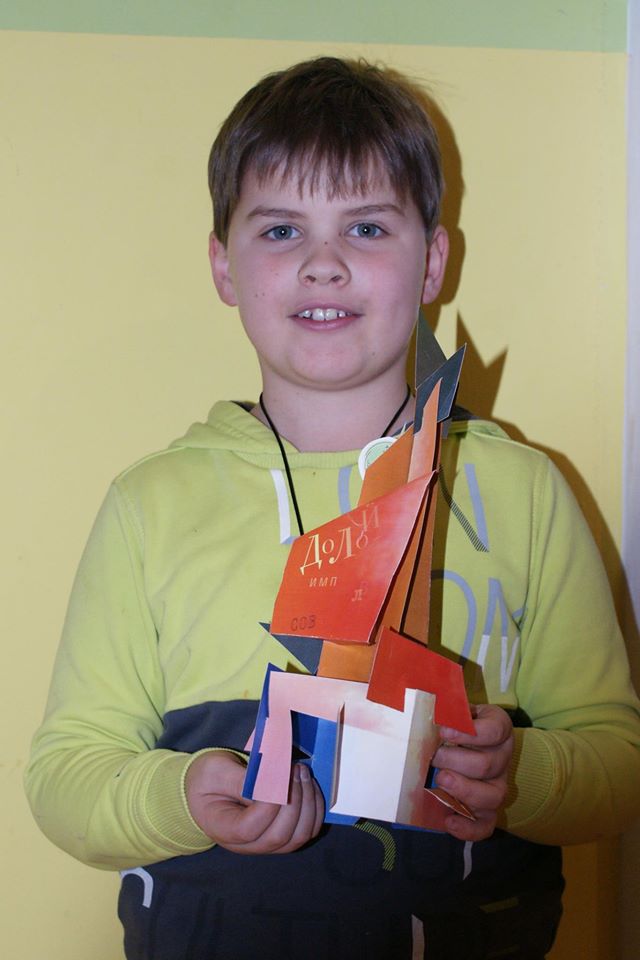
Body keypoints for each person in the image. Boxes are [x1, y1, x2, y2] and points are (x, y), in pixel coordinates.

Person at [25, 57, 640, 960]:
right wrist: (181, 795)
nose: (324, 264)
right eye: (281, 229)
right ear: (223, 266)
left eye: (366, 226)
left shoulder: (524, 492)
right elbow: (66, 775)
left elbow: (617, 764)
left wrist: (521, 774)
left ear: (433, 261)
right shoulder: (150, 505)